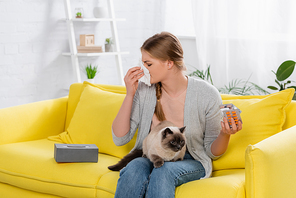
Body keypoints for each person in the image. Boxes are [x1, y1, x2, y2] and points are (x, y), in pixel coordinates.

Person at [111, 32, 242, 198]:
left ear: (169, 63)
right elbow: (120, 138)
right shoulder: (144, 91)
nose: (143, 69)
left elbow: (211, 152)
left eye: (148, 64)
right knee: (133, 168)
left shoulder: (206, 94)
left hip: (190, 159)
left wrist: (225, 133)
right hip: (152, 154)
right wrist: (130, 94)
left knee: (163, 171)